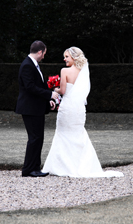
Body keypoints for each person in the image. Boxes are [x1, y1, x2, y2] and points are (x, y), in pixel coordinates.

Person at [42, 47, 124, 178]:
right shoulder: (83, 72)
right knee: (78, 134)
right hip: (79, 109)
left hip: (67, 107)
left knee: (63, 134)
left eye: (67, 56)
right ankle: (81, 165)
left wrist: (54, 89)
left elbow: (63, 91)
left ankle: (61, 166)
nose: (64, 59)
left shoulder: (65, 71)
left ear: (74, 58)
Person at [15, 40, 59, 177]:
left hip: (35, 108)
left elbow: (38, 86)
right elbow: (30, 88)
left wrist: (48, 101)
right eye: (44, 53)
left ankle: (35, 168)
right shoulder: (27, 65)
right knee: (34, 138)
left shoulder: (33, 65)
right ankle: (28, 170)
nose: (44, 56)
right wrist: (50, 94)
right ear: (39, 52)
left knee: (38, 138)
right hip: (30, 109)